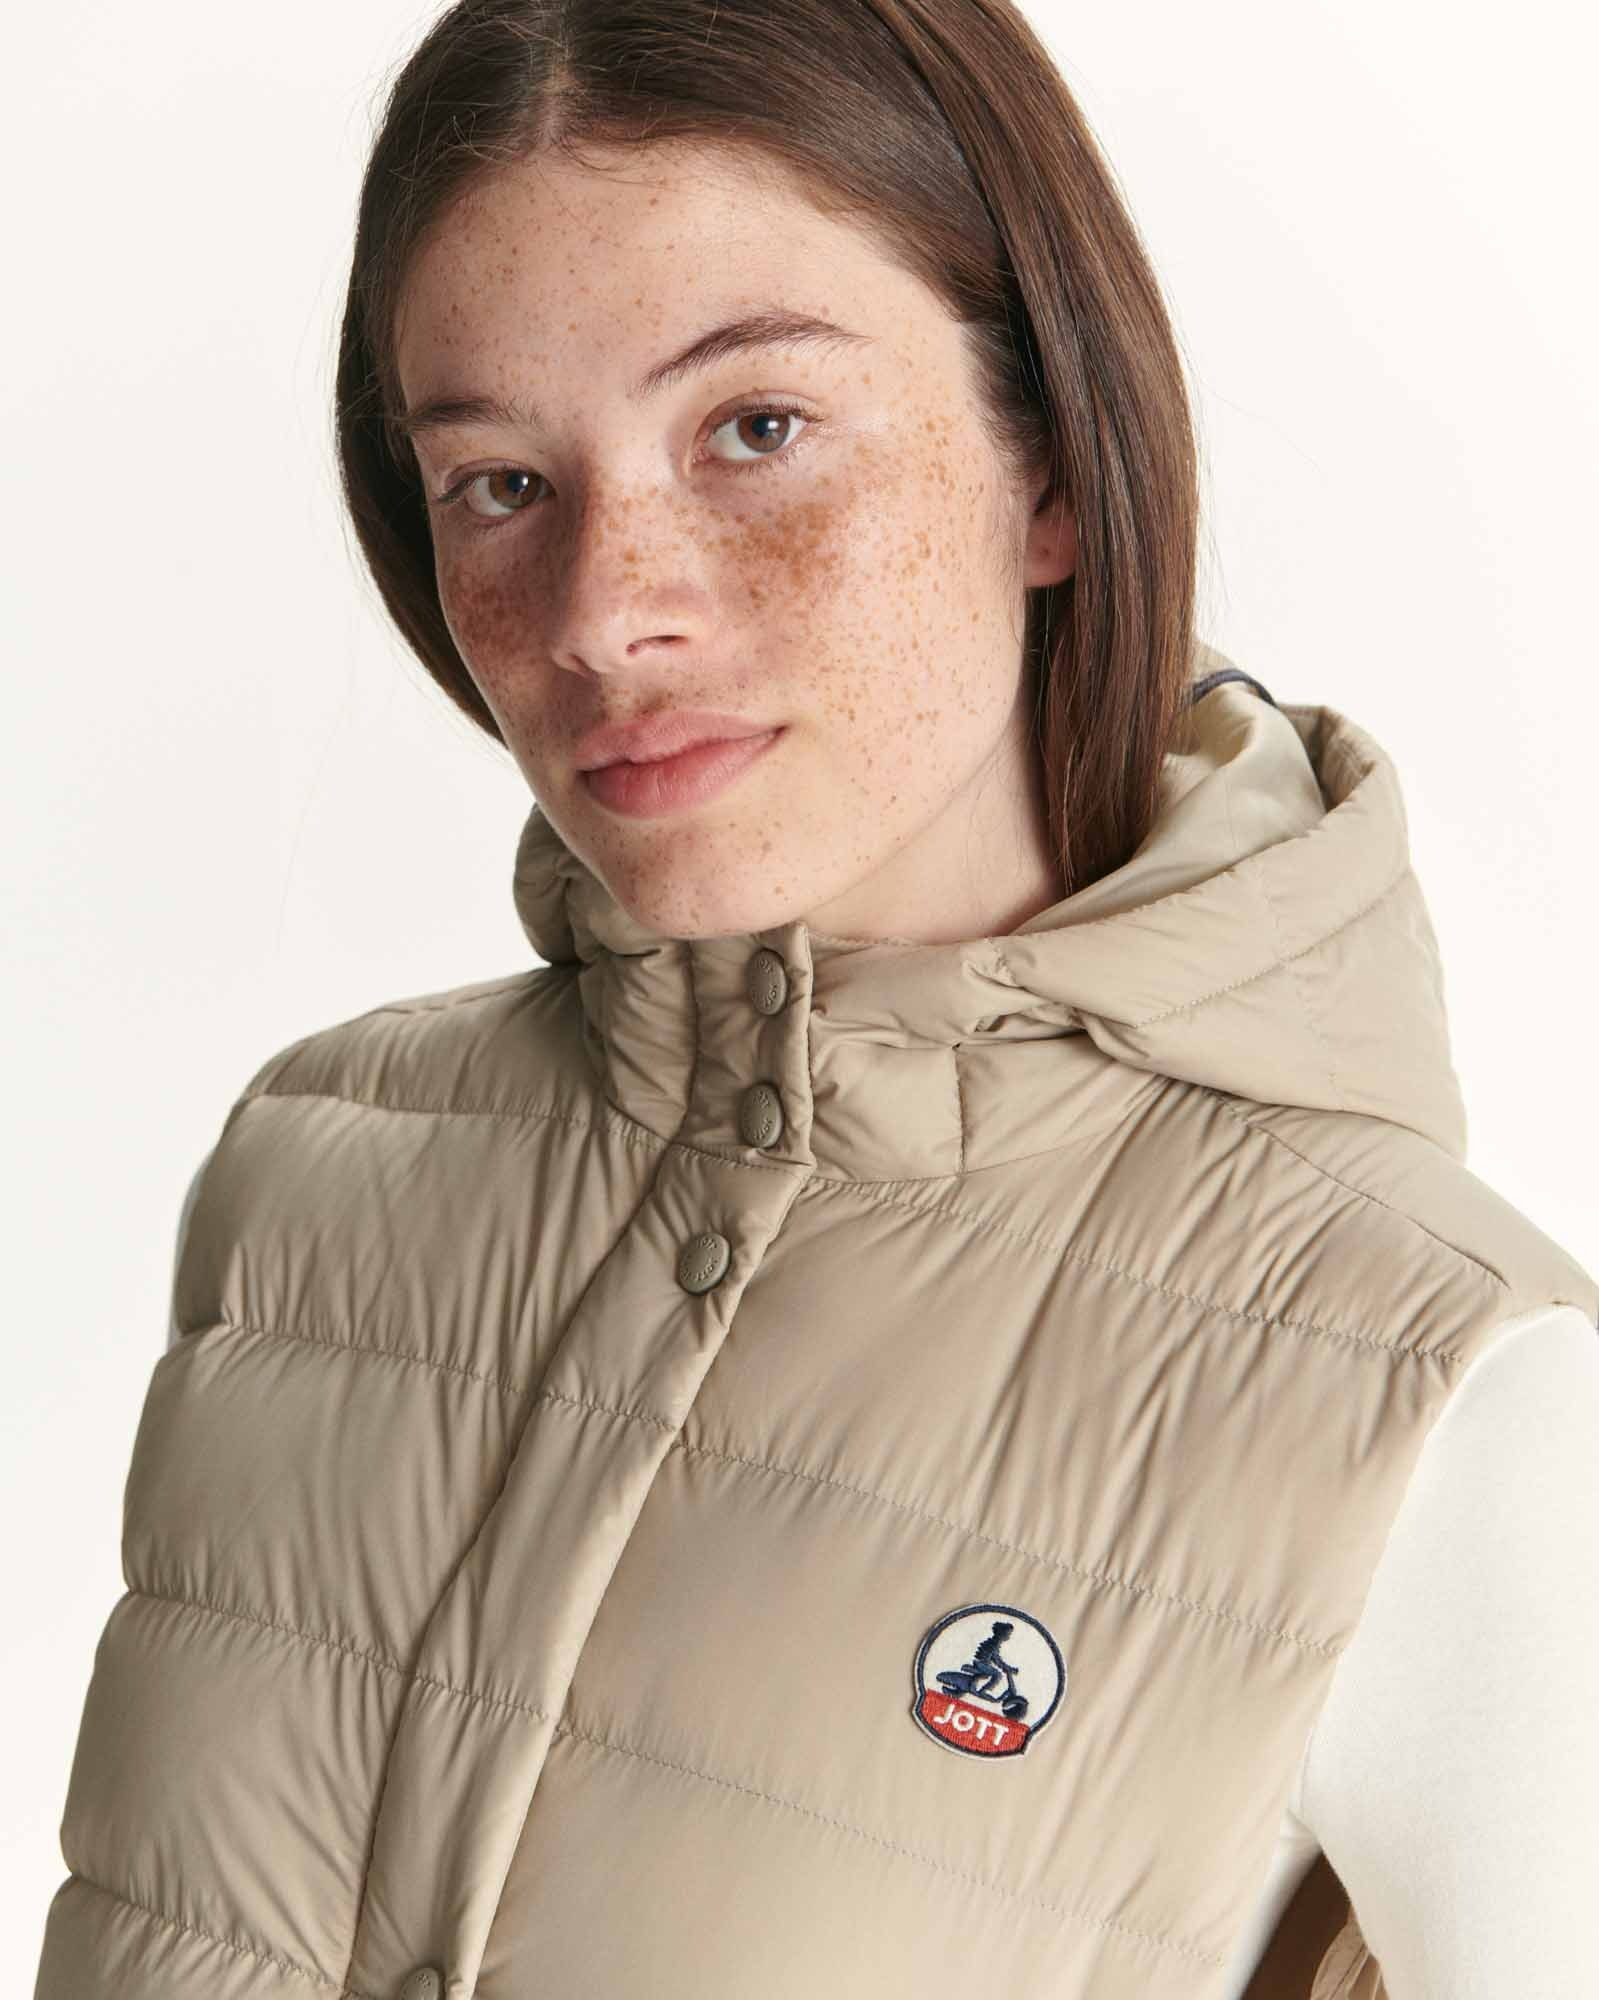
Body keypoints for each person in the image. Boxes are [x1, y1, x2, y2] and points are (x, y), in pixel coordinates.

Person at [33, 2, 1598, 1997]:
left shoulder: (1456, 1405)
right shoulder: (315, 1176)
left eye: (754, 429)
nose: (605, 611)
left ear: (1052, 457)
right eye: (497, 481)